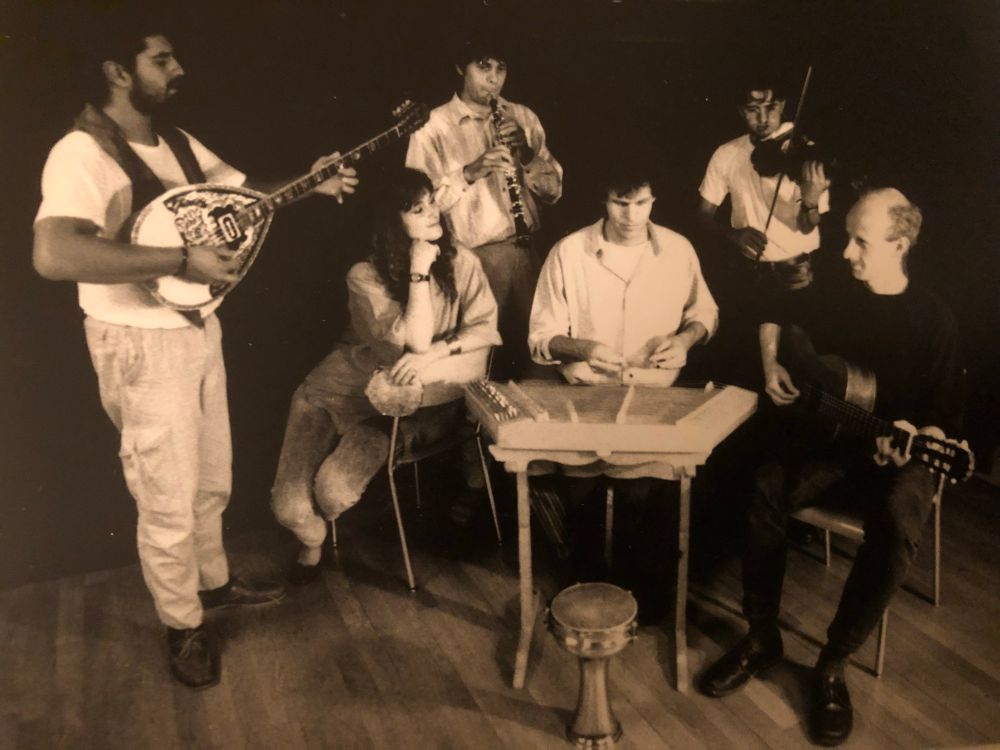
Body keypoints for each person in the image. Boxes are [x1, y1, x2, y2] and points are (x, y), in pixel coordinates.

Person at [32, 22, 358, 689]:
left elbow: (244, 196)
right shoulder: (80, 152)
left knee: (211, 479)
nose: (177, 68)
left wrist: (312, 180)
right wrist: (181, 259)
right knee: (166, 496)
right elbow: (54, 253)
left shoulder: (174, 141)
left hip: (195, 329)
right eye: (162, 59)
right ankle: (182, 626)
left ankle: (212, 585)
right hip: (138, 343)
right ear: (117, 72)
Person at [698, 189, 964, 746]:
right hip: (834, 445)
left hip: (900, 456)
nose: (844, 252)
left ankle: (833, 662)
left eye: (859, 242)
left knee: (897, 524)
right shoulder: (839, 292)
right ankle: (762, 635)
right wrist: (772, 367)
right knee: (765, 488)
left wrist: (922, 439)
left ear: (900, 244)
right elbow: (773, 311)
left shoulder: (934, 319)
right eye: (847, 238)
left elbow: (943, 417)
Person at [270, 168, 501, 581]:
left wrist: (436, 354)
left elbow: (482, 331)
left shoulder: (463, 262)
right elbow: (409, 343)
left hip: (402, 407)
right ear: (391, 221)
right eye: (417, 209)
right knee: (289, 509)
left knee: (332, 492)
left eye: (431, 203)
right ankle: (314, 539)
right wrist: (418, 270)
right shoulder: (364, 276)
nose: (433, 214)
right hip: (337, 390)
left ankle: (326, 526)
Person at [528, 166, 718, 615]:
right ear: (604, 199)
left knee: (645, 506)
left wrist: (685, 340)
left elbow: (705, 313)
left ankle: (639, 602)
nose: (631, 215)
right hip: (587, 396)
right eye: (620, 203)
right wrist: (583, 348)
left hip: (654, 397)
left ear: (654, 200)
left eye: (641, 203)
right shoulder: (569, 251)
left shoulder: (678, 249)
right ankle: (587, 595)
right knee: (583, 508)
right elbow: (540, 337)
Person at [406, 37, 562, 377]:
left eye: (501, 69)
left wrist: (527, 155)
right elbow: (415, 206)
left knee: (542, 362)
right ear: (460, 68)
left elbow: (554, 193)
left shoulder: (522, 116)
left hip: (529, 253)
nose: (493, 79)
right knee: (475, 365)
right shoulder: (432, 127)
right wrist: (470, 172)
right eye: (483, 67)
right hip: (473, 258)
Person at [696, 78, 831, 386]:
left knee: (800, 367)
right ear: (740, 111)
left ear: (783, 105)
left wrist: (811, 199)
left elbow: (808, 224)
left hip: (797, 276)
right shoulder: (727, 153)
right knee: (748, 369)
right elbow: (702, 215)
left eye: (771, 107)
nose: (763, 118)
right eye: (752, 109)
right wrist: (732, 234)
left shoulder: (805, 152)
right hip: (747, 275)